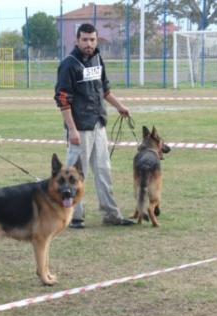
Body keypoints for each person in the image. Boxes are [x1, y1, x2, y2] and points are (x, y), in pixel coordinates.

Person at [54, 23, 134, 229]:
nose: (89, 43)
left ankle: (111, 214)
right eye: (84, 39)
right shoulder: (68, 64)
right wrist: (71, 129)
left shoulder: (98, 59)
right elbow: (63, 100)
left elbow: (104, 90)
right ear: (77, 40)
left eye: (92, 39)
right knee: (76, 174)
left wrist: (120, 107)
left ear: (96, 40)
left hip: (98, 123)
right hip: (80, 127)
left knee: (103, 170)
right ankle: (73, 216)